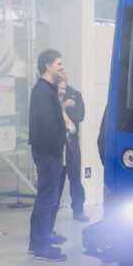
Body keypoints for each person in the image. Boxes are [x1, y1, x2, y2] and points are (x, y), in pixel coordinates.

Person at [28, 49, 68, 261]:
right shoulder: (42, 91)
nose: (62, 67)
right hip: (48, 151)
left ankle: (36, 242)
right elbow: (46, 122)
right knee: (48, 199)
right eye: (59, 64)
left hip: (49, 150)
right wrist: (59, 140)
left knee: (44, 198)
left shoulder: (48, 90)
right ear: (48, 66)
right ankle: (42, 248)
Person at [57, 71, 89, 222]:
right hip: (55, 143)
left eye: (65, 74)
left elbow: (80, 116)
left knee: (75, 178)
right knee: (55, 180)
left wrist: (68, 108)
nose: (63, 76)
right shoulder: (52, 95)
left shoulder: (75, 94)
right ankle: (51, 212)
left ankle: (78, 210)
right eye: (60, 74)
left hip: (72, 143)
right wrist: (63, 106)